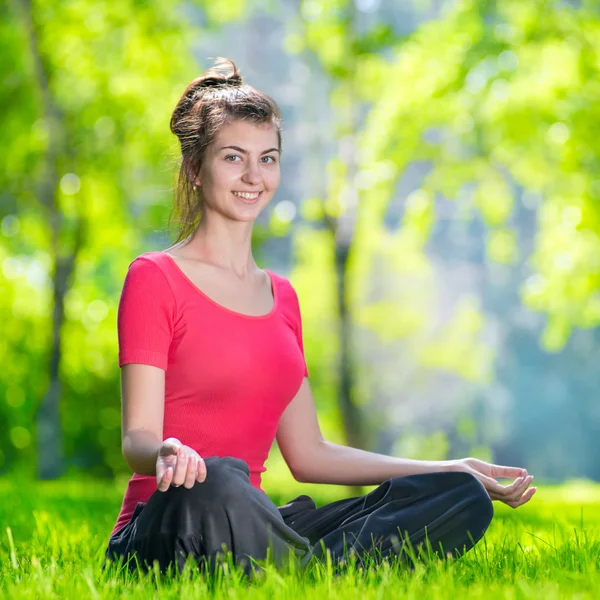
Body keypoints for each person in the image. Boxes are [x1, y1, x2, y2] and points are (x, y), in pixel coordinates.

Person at [103, 57, 536, 578]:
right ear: (195, 169)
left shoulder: (282, 298)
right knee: (219, 480)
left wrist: (448, 465)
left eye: (267, 159)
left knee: (458, 495)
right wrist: (169, 453)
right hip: (167, 524)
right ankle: (315, 567)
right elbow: (137, 442)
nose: (252, 177)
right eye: (233, 158)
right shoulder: (155, 277)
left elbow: (308, 454)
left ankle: (298, 564)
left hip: (255, 524)